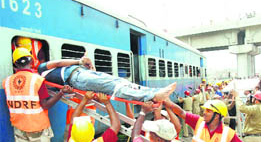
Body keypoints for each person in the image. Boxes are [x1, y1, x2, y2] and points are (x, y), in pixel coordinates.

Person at [2, 48, 72, 142]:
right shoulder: (37, 80)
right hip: (38, 128)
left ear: (15, 65)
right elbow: (45, 104)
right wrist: (61, 94)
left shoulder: (7, 82)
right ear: (32, 62)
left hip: (19, 128)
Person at [37, 57, 176, 102]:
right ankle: (152, 96)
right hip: (76, 78)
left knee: (119, 81)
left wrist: (84, 65)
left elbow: (57, 64)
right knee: (113, 88)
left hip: (82, 73)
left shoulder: (42, 68)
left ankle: (155, 91)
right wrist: (79, 61)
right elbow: (58, 64)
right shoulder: (40, 71)